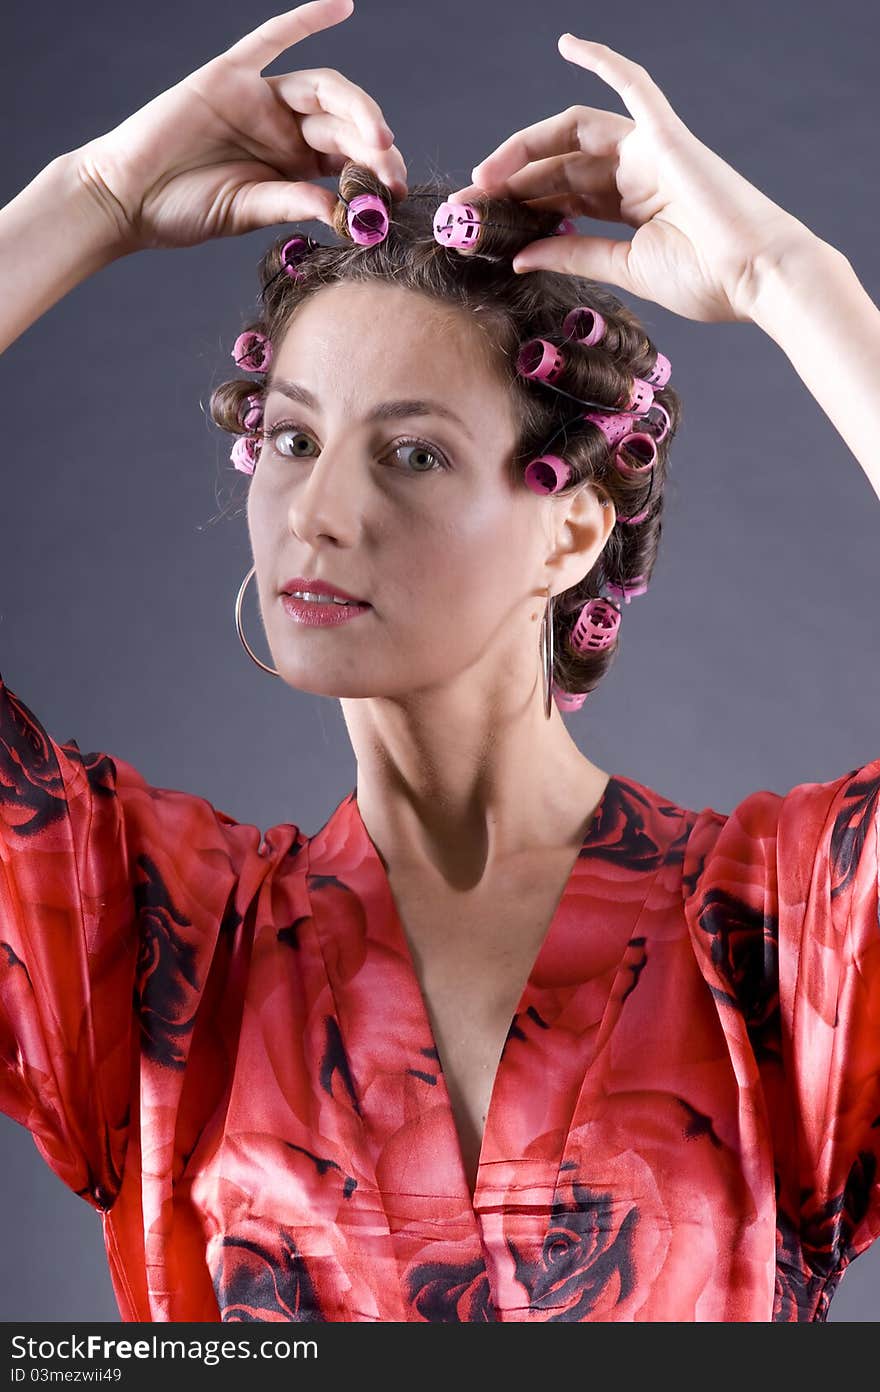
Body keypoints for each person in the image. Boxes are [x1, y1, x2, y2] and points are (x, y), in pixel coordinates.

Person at [0, 0, 878, 1323]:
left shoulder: (779, 931)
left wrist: (789, 283)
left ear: (571, 527)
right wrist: (91, 195)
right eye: (292, 440)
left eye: (412, 453)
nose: (320, 513)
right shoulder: (157, 940)